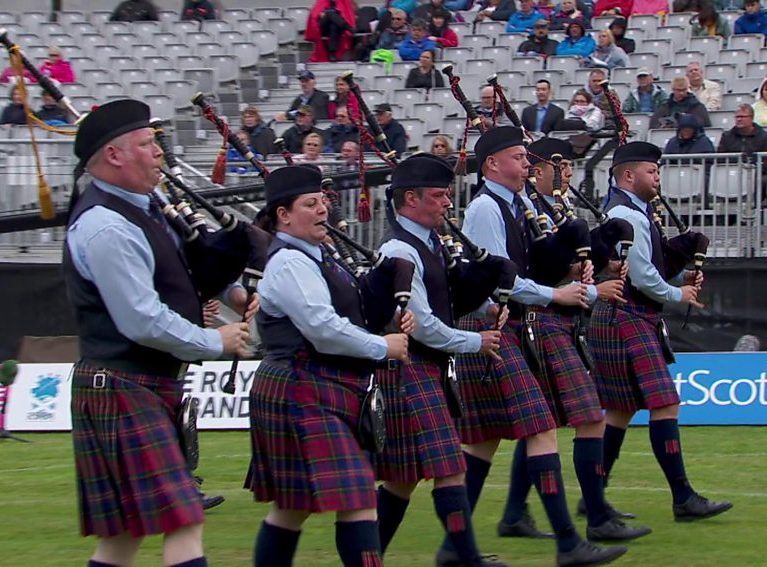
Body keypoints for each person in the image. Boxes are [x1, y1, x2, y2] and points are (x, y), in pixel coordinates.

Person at [64, 99, 251, 567]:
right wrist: (215, 342)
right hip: (123, 382)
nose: (159, 154)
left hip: (139, 384)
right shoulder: (105, 225)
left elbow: (179, 268)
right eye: (147, 145)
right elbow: (141, 319)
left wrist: (230, 290)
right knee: (183, 520)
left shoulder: (150, 207)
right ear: (114, 155)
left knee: (123, 537)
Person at [438, 126, 628, 567]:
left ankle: (453, 546)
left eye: (526, 158)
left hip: (506, 326)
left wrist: (580, 256)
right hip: (491, 324)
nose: (528, 165)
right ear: (492, 164)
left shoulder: (518, 204)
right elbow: (499, 277)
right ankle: (567, 543)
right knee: (539, 429)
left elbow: (536, 262)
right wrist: (554, 295)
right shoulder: (486, 208)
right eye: (520, 158)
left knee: (482, 442)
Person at [248, 165, 412, 567]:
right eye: (310, 204)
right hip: (301, 387)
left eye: (323, 201)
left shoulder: (321, 256)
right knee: (356, 494)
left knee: (293, 506)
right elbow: (323, 329)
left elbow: (348, 313)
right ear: (283, 215)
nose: (323, 210)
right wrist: (382, 346)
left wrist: (386, 299)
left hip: (319, 386)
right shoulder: (289, 262)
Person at [498, 136, 651, 547]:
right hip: (541, 318)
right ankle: (594, 515)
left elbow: (560, 267)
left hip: (559, 317)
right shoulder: (520, 209)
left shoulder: (547, 208)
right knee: (586, 419)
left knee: (542, 424)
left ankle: (515, 513)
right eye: (560, 167)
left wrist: (596, 265)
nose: (566, 174)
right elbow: (536, 271)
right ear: (541, 168)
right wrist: (589, 284)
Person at [375, 154, 510, 567]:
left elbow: (442, 300)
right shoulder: (400, 250)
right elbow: (422, 325)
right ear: (410, 200)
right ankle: (463, 558)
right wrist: (476, 340)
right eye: (439, 196)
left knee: (402, 480)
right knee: (449, 467)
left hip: (422, 369)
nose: (448, 204)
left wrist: (485, 307)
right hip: (409, 367)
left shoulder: (430, 244)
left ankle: (367, 557)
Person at [589, 141, 733, 526]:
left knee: (619, 410)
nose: (658, 177)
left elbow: (649, 267)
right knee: (664, 403)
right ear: (628, 175)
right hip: (628, 316)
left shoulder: (637, 213)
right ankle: (683, 496)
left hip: (623, 316)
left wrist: (679, 273)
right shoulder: (627, 215)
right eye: (652, 171)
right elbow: (641, 277)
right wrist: (678, 292)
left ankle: (593, 498)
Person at [717, 104, 767, 200]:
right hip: (731, 174)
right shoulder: (727, 136)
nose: (739, 119)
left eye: (743, 117)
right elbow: (720, 159)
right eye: (737, 117)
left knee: (763, 181)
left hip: (756, 175)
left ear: (751, 118)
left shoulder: (764, 137)